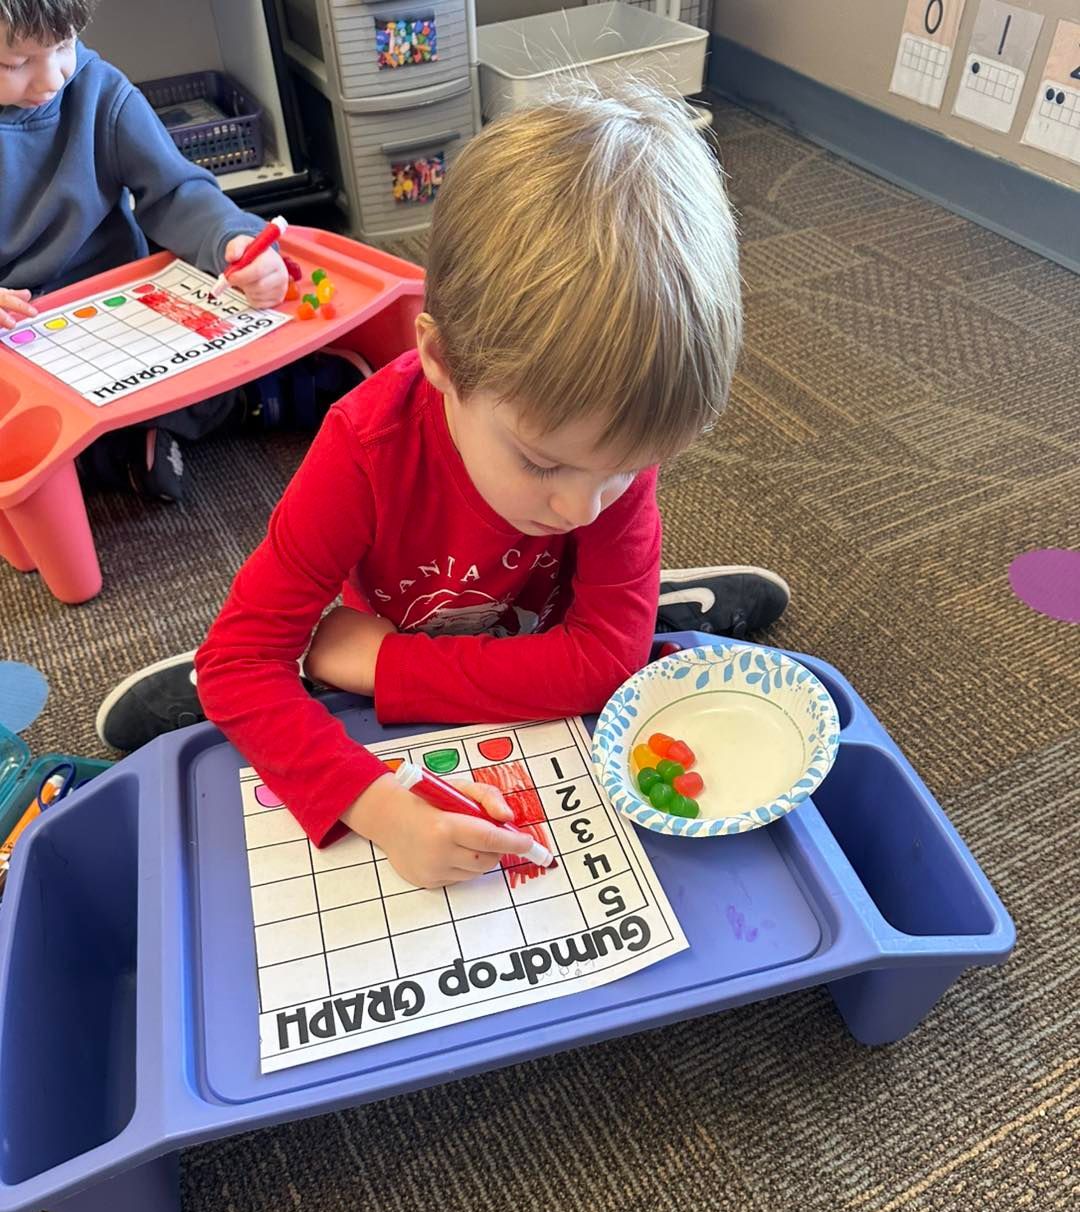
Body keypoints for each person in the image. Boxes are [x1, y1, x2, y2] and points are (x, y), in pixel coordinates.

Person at [96, 82, 790, 887]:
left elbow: (603, 664)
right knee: (253, 677)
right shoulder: (364, 447)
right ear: (441, 359)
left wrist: (383, 666)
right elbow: (240, 665)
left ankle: (638, 608)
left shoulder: (605, 430)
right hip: (425, 621)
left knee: (625, 654)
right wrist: (383, 807)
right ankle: (635, 615)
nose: (582, 506)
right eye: (542, 463)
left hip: (431, 641)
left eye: (625, 469)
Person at [0, 0, 288, 498]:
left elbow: (176, 192)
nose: (50, 80)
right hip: (18, 332)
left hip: (119, 309)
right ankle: (142, 440)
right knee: (30, 440)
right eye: (15, 63)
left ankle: (243, 399)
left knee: (227, 346)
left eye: (63, 46)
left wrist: (232, 240)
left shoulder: (98, 89)